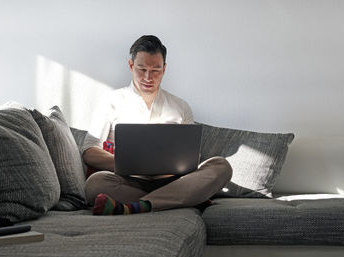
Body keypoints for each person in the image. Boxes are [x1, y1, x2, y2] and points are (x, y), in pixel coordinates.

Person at [83, 35, 232, 215]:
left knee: (221, 166)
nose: (148, 77)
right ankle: (183, 199)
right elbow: (89, 151)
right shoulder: (110, 101)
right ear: (131, 66)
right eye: (142, 69)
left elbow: (191, 157)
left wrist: (182, 165)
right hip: (129, 181)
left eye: (155, 70)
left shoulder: (180, 106)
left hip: (173, 181)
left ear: (164, 69)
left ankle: (138, 206)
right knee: (95, 184)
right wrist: (128, 164)